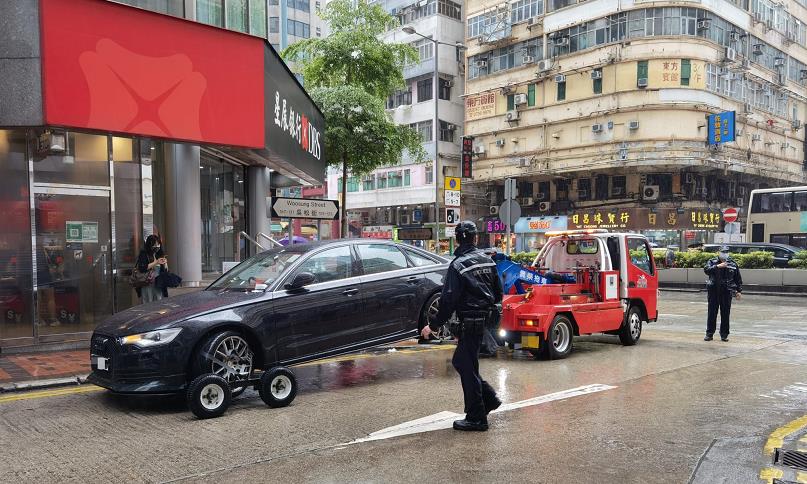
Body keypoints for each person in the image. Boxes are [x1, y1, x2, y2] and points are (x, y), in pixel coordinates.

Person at [421, 220, 504, 431]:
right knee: (466, 363)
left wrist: (433, 325)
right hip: (485, 321)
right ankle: (488, 400)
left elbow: (448, 300)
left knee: (464, 364)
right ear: (475, 238)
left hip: (469, 322)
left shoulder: (458, 265)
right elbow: (498, 293)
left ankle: (477, 417)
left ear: (457, 239)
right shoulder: (488, 261)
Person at [703, 245, 742, 342]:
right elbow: (706, 270)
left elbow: (737, 278)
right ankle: (709, 334)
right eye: (723, 252)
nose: (725, 254)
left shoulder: (733, 263)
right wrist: (717, 266)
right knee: (712, 313)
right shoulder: (712, 262)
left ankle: (724, 335)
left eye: (726, 252)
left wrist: (739, 291)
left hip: (727, 291)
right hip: (714, 290)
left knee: (725, 313)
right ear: (719, 252)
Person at [136, 235, 167, 303]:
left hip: (158, 283)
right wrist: (156, 262)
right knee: (148, 302)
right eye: (154, 245)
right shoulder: (144, 254)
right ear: (149, 245)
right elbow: (142, 268)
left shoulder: (159, 254)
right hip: (147, 283)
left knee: (159, 301)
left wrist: (165, 264)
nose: (157, 246)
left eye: (158, 244)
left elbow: (165, 270)